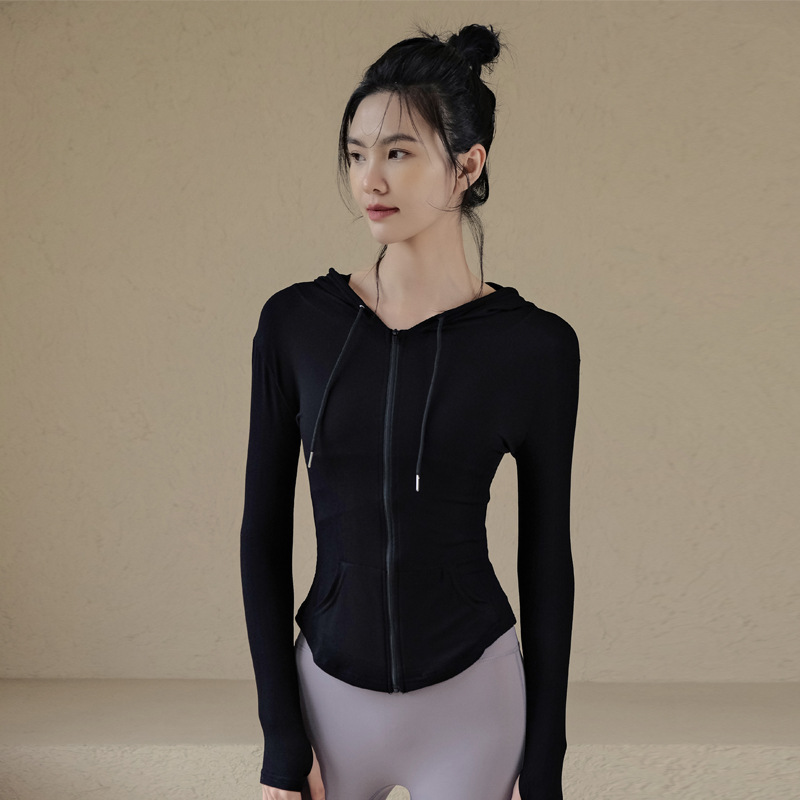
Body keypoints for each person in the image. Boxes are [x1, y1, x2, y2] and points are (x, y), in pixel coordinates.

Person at [240, 23, 581, 800]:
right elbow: (261, 536)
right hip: (326, 703)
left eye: (398, 152)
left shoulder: (534, 347)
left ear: (467, 165)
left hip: (475, 706)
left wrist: (546, 765)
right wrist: (281, 740)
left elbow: (547, 561)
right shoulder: (297, 325)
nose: (370, 179)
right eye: (356, 154)